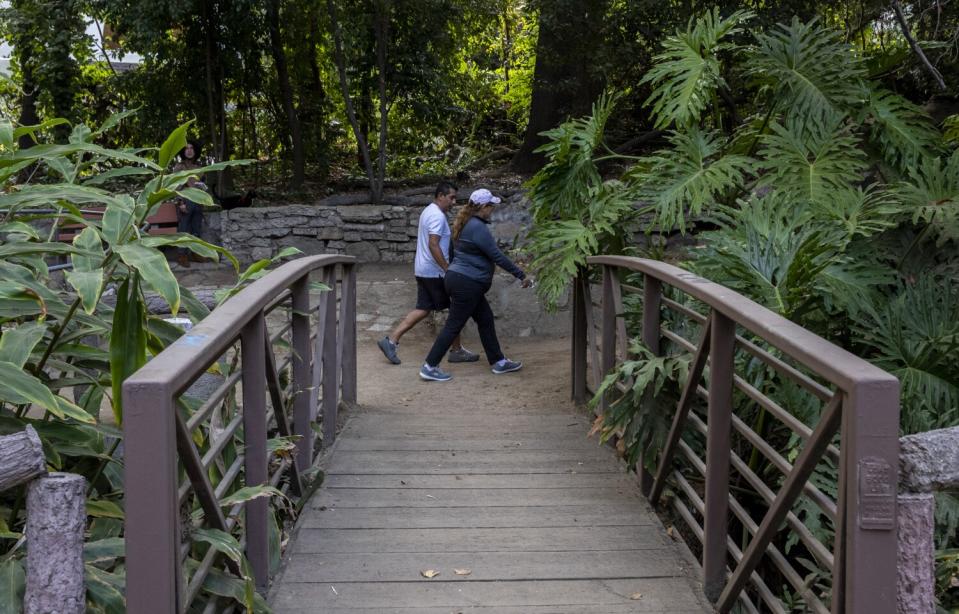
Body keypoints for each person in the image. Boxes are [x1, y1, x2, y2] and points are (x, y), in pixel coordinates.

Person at [419, 188, 532, 382]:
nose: (493, 210)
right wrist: (521, 275)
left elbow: (455, 252)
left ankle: (498, 362)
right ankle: (430, 366)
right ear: (483, 207)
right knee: (453, 325)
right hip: (467, 283)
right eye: (491, 207)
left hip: (462, 280)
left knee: (485, 319)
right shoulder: (477, 227)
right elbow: (496, 255)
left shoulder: (465, 224)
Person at [377, 182, 478, 365]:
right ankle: (456, 351)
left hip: (423, 269)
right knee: (454, 310)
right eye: (451, 198)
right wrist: (447, 268)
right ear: (440, 196)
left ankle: (391, 340)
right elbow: (433, 244)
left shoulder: (428, 211)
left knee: (423, 308)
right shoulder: (437, 217)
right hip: (435, 272)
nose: (453, 202)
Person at [174, 140, 206, 268]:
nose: (189, 150)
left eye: (191, 148)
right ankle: (182, 255)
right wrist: (180, 203)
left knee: (196, 228)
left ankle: (195, 253)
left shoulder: (199, 167)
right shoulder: (179, 167)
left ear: (195, 151)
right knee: (184, 229)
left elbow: (203, 184)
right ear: (183, 151)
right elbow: (176, 186)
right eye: (186, 148)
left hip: (198, 200)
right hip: (185, 200)